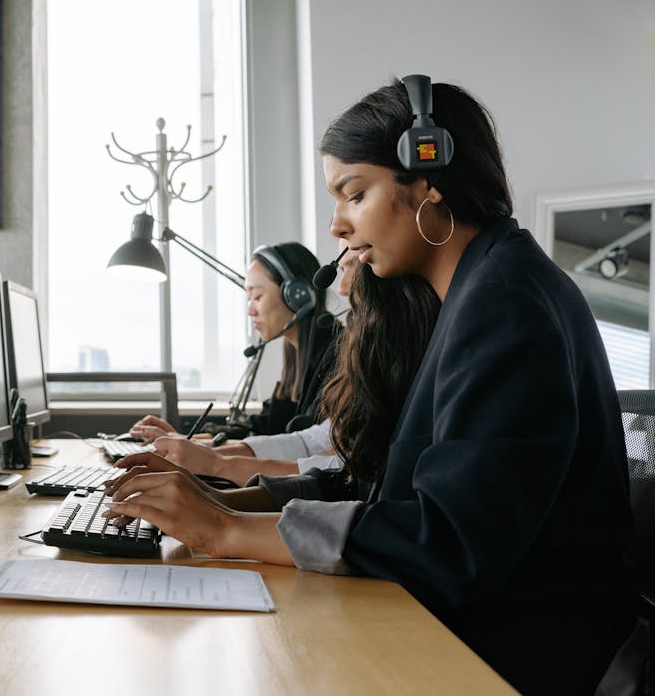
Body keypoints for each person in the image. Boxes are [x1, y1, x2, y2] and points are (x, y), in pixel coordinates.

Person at [103, 78, 643, 694]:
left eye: (353, 194)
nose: (336, 225)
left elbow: (448, 543)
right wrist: (221, 503)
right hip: (480, 628)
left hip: (518, 655)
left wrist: (225, 533)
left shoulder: (504, 301)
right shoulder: (471, 292)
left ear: (430, 177)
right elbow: (379, 486)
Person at [128, 242, 342, 485]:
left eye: (257, 296)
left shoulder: (336, 355)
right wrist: (189, 441)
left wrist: (203, 450)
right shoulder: (296, 356)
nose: (250, 310)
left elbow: (301, 442)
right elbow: (266, 424)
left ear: (297, 295)